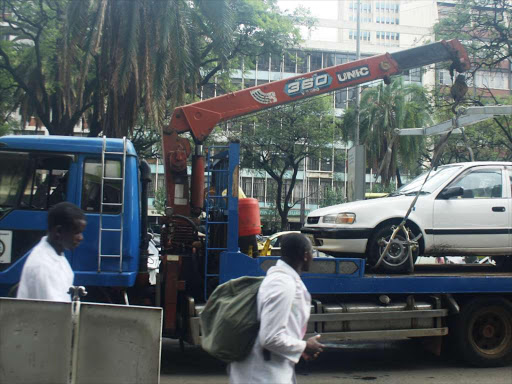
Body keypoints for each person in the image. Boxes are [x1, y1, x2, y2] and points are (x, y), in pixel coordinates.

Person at [229, 233, 324, 384]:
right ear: (305, 255)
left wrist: (300, 349)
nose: (313, 256)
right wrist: (305, 345)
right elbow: (270, 337)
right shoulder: (282, 285)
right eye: (312, 252)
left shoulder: (283, 280)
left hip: (270, 369)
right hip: (263, 375)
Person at [17, 202, 86, 302]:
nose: (81, 238)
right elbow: (53, 313)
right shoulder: (43, 266)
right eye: (76, 233)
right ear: (58, 232)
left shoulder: (57, 255)